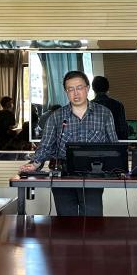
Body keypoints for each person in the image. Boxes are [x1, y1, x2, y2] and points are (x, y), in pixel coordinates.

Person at [20, 71, 118, 216]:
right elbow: (45, 146)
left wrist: (116, 169)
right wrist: (34, 164)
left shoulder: (104, 114)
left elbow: (113, 146)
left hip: (93, 174)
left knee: (93, 221)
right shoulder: (56, 117)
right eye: (70, 89)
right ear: (66, 92)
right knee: (66, 222)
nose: (75, 93)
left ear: (87, 88)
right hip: (62, 174)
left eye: (79, 88)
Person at [90, 75, 128, 143]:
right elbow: (123, 130)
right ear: (107, 88)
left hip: (95, 146)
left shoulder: (88, 106)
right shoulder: (118, 105)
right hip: (114, 145)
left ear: (93, 88)